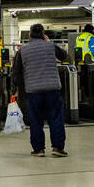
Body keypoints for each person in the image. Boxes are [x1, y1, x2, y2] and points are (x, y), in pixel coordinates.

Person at [13, 23, 67, 157]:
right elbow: (64, 56)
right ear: (43, 34)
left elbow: (16, 72)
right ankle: (57, 148)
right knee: (55, 118)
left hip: (33, 90)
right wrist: (48, 42)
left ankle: (38, 149)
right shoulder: (50, 46)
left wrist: (20, 88)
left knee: (36, 119)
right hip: (52, 88)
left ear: (30, 34)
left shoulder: (22, 50)